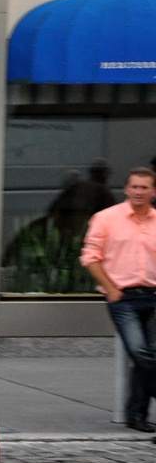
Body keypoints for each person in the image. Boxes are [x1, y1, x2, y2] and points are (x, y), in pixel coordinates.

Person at [81, 167, 156, 434]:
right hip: (122, 297)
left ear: (153, 191)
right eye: (134, 186)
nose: (138, 192)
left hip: (154, 296)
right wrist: (111, 289)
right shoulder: (106, 218)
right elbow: (90, 256)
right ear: (126, 189)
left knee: (149, 357)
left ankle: (136, 415)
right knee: (140, 351)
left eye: (144, 187)